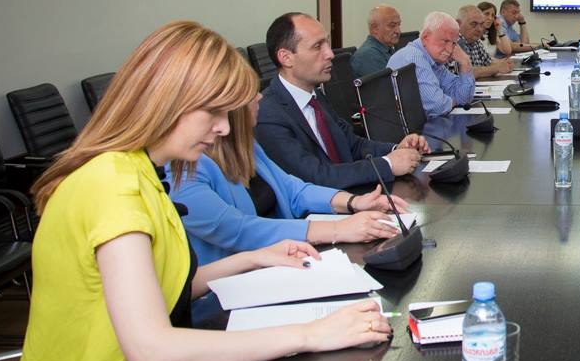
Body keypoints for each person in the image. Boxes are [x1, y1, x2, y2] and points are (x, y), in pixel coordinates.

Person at [0, 22, 393, 361]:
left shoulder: (139, 172)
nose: (224, 128)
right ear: (168, 102)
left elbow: (166, 288)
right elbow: (155, 357)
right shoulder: (111, 185)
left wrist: (253, 258)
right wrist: (311, 334)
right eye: (214, 113)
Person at [170, 93, 408, 266]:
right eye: (251, 92)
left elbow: (292, 189)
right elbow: (237, 230)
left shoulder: (245, 145)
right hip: (227, 299)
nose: (260, 96)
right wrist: (337, 229)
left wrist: (353, 202)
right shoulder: (183, 168)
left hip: (282, 265)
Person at [256, 12, 427, 188]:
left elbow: (352, 144)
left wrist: (396, 149)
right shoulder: (267, 113)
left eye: (327, 43)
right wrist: (388, 164)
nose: (330, 54)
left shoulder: (316, 96)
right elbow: (314, 176)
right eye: (317, 46)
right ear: (286, 57)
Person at [386, 11, 476, 116]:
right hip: (406, 126)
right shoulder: (415, 58)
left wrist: (465, 62)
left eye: (453, 43)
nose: (450, 49)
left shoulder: (433, 59)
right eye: (445, 41)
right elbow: (437, 106)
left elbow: (464, 98)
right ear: (425, 37)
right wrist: (454, 101)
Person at [456, 4, 512, 78]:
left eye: (481, 24)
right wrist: (496, 68)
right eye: (474, 24)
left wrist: (505, 64)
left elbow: (488, 61)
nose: (479, 29)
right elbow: (466, 72)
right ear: (458, 24)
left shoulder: (475, 41)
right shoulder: (455, 42)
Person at [351, 4, 403, 78]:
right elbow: (390, 84)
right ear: (375, 28)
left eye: (399, 25)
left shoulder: (387, 48)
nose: (398, 31)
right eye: (392, 26)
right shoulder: (368, 55)